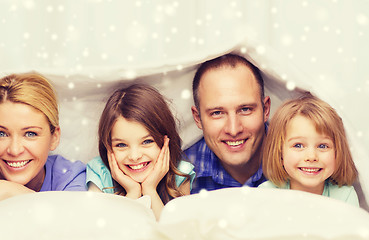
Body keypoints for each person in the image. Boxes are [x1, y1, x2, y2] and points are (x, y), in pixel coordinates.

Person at [0, 73, 87, 233]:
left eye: (30, 134)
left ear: (54, 137)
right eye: (0, 133)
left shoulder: (71, 176)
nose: (14, 150)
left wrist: (14, 194)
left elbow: (74, 230)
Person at [86, 83, 195, 220]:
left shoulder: (180, 174)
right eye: (121, 145)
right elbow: (109, 233)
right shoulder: (99, 173)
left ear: (165, 141)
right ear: (108, 146)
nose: (134, 156)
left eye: (147, 141)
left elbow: (173, 234)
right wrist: (133, 192)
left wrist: (150, 190)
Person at [184, 53, 271, 193]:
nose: (233, 130)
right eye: (217, 113)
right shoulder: (179, 173)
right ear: (198, 118)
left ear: (265, 110)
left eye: (245, 109)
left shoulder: (303, 158)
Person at [259, 93, 359, 206]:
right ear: (280, 154)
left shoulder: (344, 197)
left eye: (322, 146)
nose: (311, 157)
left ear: (337, 152)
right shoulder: (266, 194)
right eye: (298, 145)